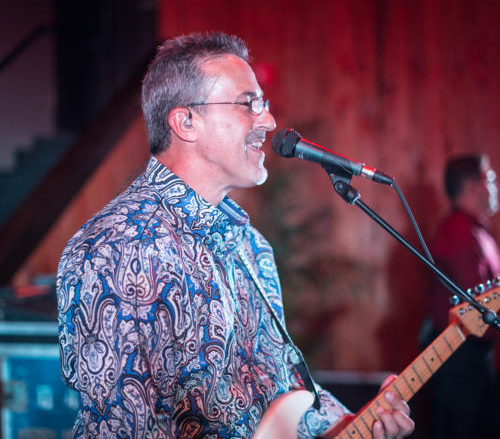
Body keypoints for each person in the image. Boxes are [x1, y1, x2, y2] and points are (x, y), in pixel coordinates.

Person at [57, 32, 414, 438]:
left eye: (262, 103)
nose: (269, 120)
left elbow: (280, 390)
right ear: (186, 122)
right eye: (249, 104)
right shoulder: (117, 246)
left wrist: (354, 426)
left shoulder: (250, 245)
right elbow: (124, 427)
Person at [427, 154, 500, 439]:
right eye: (490, 179)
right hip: (461, 360)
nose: (495, 186)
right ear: (471, 187)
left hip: (474, 357)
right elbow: (479, 308)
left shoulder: (475, 231)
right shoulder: (459, 234)